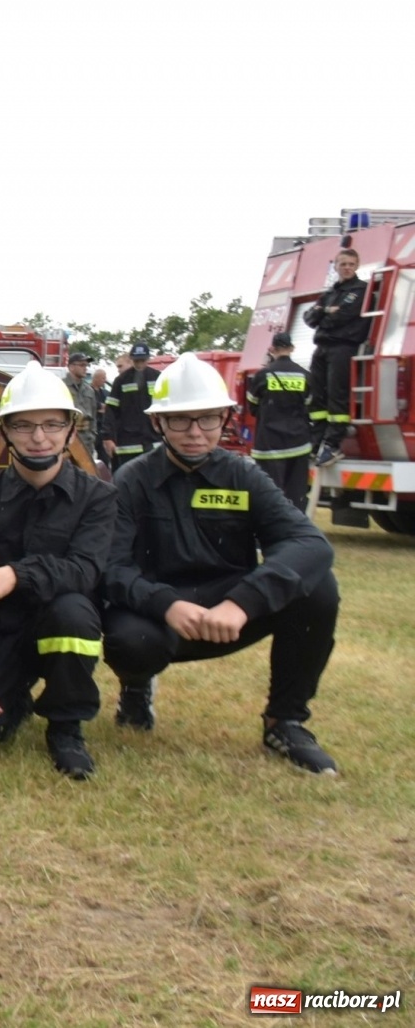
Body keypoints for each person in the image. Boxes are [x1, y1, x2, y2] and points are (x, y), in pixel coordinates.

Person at [102, 353, 340, 775]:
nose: (196, 432)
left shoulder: (244, 476)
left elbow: (309, 543)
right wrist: (166, 605)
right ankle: (136, 686)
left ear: (225, 418)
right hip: (158, 616)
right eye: (180, 420)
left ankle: (284, 722)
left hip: (230, 610)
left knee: (319, 589)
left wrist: (243, 602)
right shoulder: (132, 480)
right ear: (158, 423)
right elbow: (112, 567)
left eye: (208, 418)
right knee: (129, 642)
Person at [0, 361, 117, 779]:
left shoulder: (97, 499)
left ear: (71, 429)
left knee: (73, 612)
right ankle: (14, 696)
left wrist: (16, 574)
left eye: (52, 425)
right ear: (4, 431)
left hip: (62, 622)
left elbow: (85, 569)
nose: (38, 438)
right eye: (23, 426)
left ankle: (66, 728)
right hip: (3, 633)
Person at [304, 249, 368, 468]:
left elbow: (343, 316)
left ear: (357, 266)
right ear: (336, 266)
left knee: (336, 396)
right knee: (317, 397)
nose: (347, 267)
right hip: (321, 348)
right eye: (343, 264)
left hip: (343, 347)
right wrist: (326, 311)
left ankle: (333, 445)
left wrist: (323, 313)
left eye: (351, 264)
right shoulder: (330, 293)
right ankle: (315, 442)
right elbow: (308, 318)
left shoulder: (360, 290)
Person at [247, 332, 312, 512]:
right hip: (298, 444)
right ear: (292, 349)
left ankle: (271, 525)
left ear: (272, 349)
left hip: (269, 444)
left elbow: (252, 406)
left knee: (268, 495)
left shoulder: (262, 375)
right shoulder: (304, 375)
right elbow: (309, 407)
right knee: (296, 495)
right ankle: (296, 525)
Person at [100, 343, 160, 472]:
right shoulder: (121, 380)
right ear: (132, 360)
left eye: (142, 360)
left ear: (148, 359)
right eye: (137, 361)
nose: (140, 364)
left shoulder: (158, 378)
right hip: (128, 443)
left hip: (154, 442)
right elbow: (111, 410)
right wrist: (107, 437)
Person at [62, 352, 98, 462]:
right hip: (67, 441)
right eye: (82, 365)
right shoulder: (61, 386)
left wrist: (92, 436)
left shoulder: (89, 390)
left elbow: (93, 417)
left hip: (87, 441)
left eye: (86, 365)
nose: (85, 368)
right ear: (71, 367)